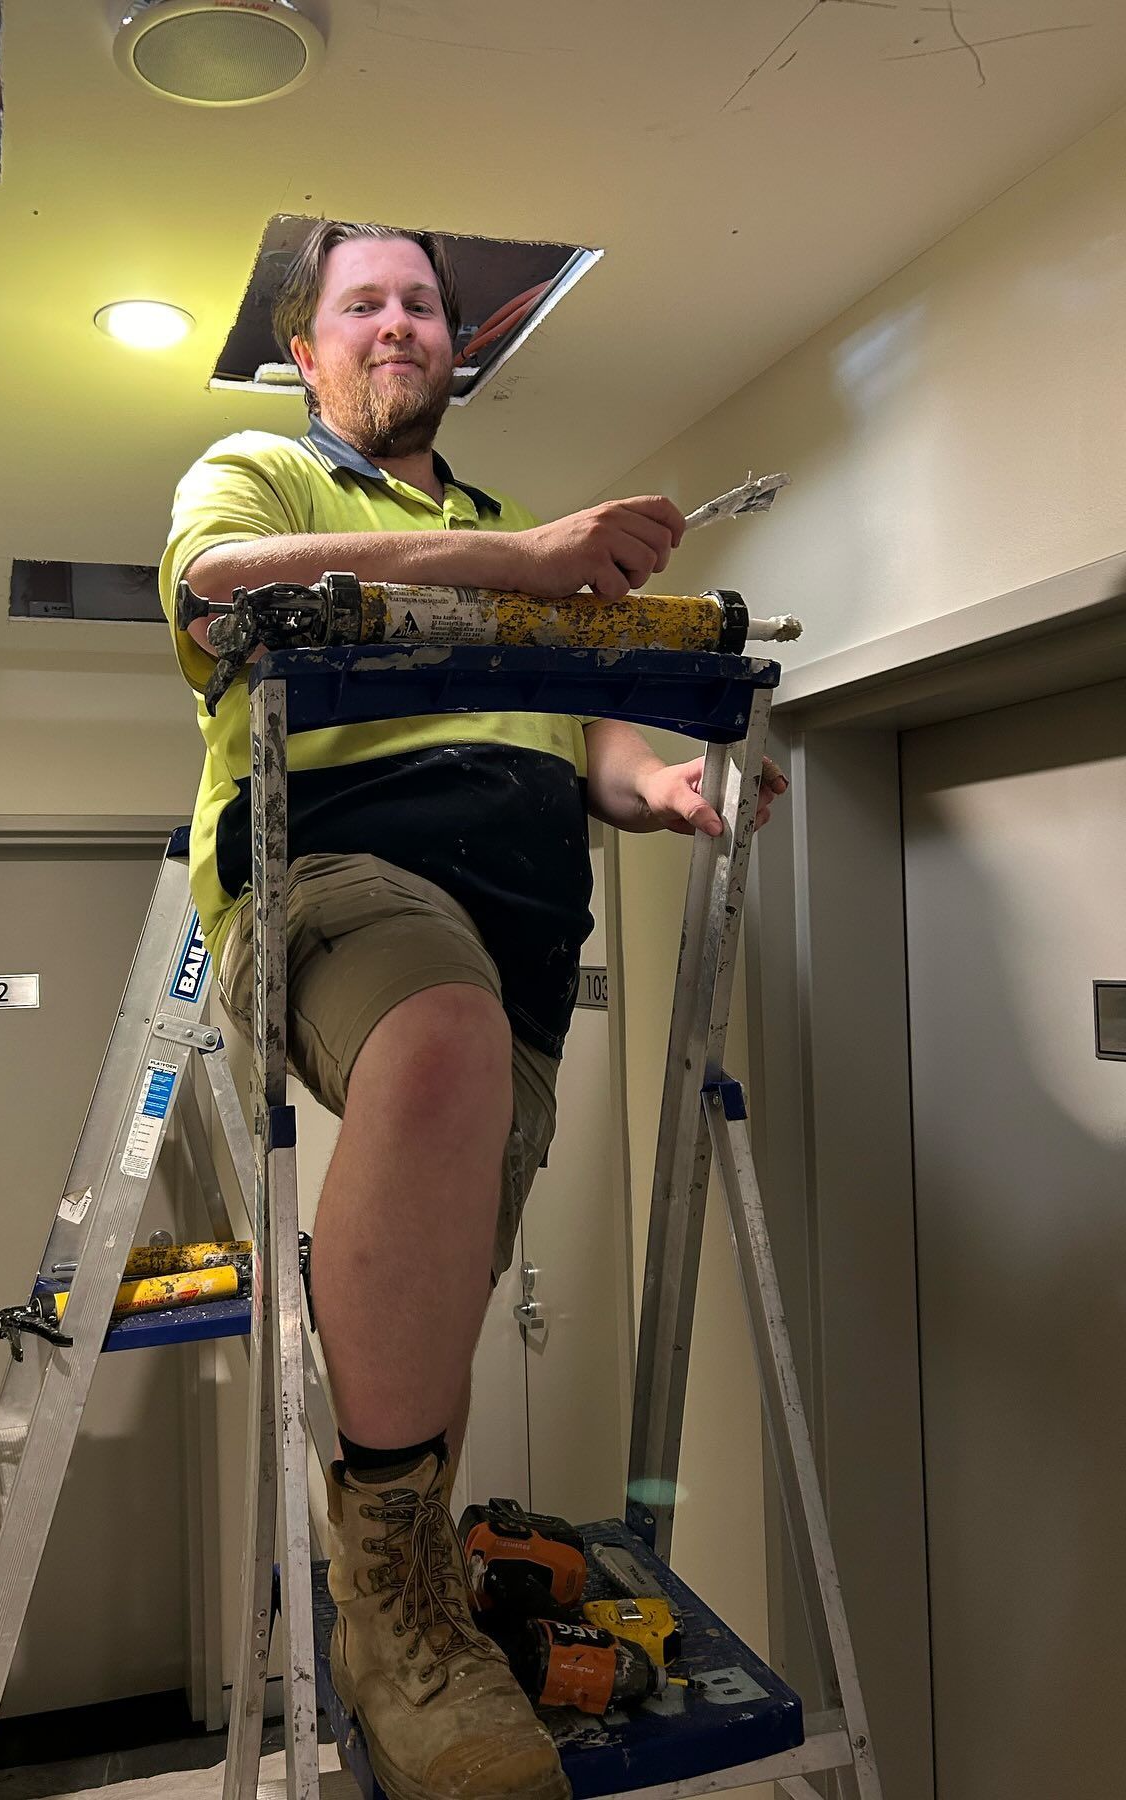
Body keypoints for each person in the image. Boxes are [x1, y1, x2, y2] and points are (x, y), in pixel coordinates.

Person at [162, 220, 785, 1800]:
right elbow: (217, 590)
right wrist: (514, 567)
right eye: (361, 304)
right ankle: (395, 1615)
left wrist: (670, 787)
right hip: (331, 877)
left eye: (423, 307)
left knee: (427, 1298)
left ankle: (406, 1550)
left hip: (519, 939)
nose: (396, 325)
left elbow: (594, 757)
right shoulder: (260, 468)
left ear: (459, 348)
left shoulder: (520, 524)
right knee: (434, 1041)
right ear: (305, 351)